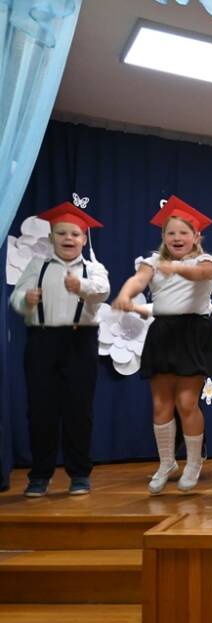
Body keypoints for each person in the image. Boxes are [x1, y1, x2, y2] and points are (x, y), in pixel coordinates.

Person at [112, 196, 212, 494]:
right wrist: (125, 294)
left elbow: (203, 274)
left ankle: (193, 462)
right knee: (161, 404)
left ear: (196, 237)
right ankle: (166, 462)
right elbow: (138, 280)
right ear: (163, 237)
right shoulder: (152, 262)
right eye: (171, 233)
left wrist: (176, 268)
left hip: (193, 333)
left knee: (186, 403)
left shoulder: (206, 261)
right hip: (162, 332)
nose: (177, 237)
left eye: (183, 232)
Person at [10, 202, 109, 497]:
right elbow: (15, 298)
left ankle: (79, 474)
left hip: (80, 342)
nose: (68, 238)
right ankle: (40, 475)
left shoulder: (93, 269)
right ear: (51, 237)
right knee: (41, 409)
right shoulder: (37, 266)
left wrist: (81, 286)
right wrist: (25, 299)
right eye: (62, 233)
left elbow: (102, 291)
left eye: (75, 234)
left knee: (79, 410)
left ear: (84, 239)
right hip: (42, 342)